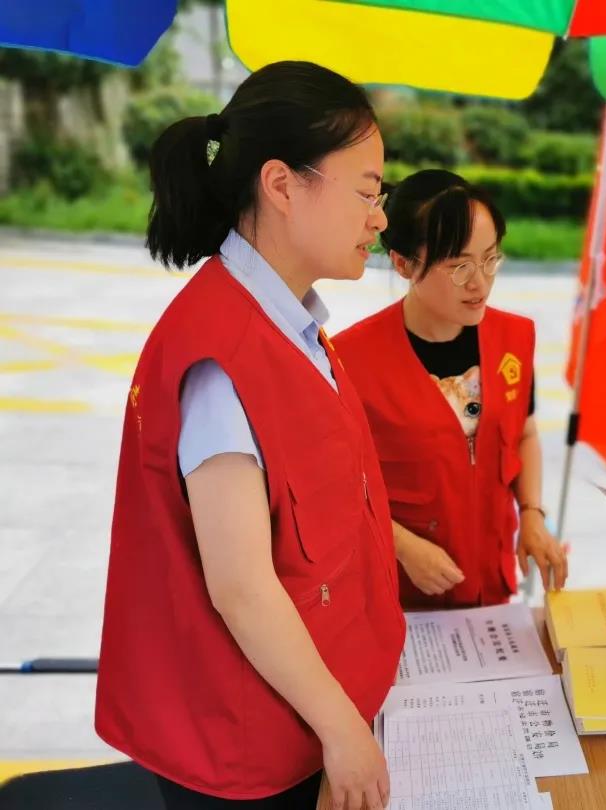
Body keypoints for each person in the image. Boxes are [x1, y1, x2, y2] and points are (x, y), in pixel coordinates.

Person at [95, 61, 405, 809]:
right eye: (368, 192)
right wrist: (343, 730)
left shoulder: (291, 325)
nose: (380, 219)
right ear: (282, 185)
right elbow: (240, 586)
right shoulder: (220, 356)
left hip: (303, 704)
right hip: (248, 740)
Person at [333, 169, 568, 609]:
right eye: (459, 267)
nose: (480, 283)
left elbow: (525, 432)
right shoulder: (349, 360)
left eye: (490, 260)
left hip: (489, 587)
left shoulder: (513, 340)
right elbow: (332, 485)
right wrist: (401, 544)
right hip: (399, 594)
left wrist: (532, 514)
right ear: (403, 263)